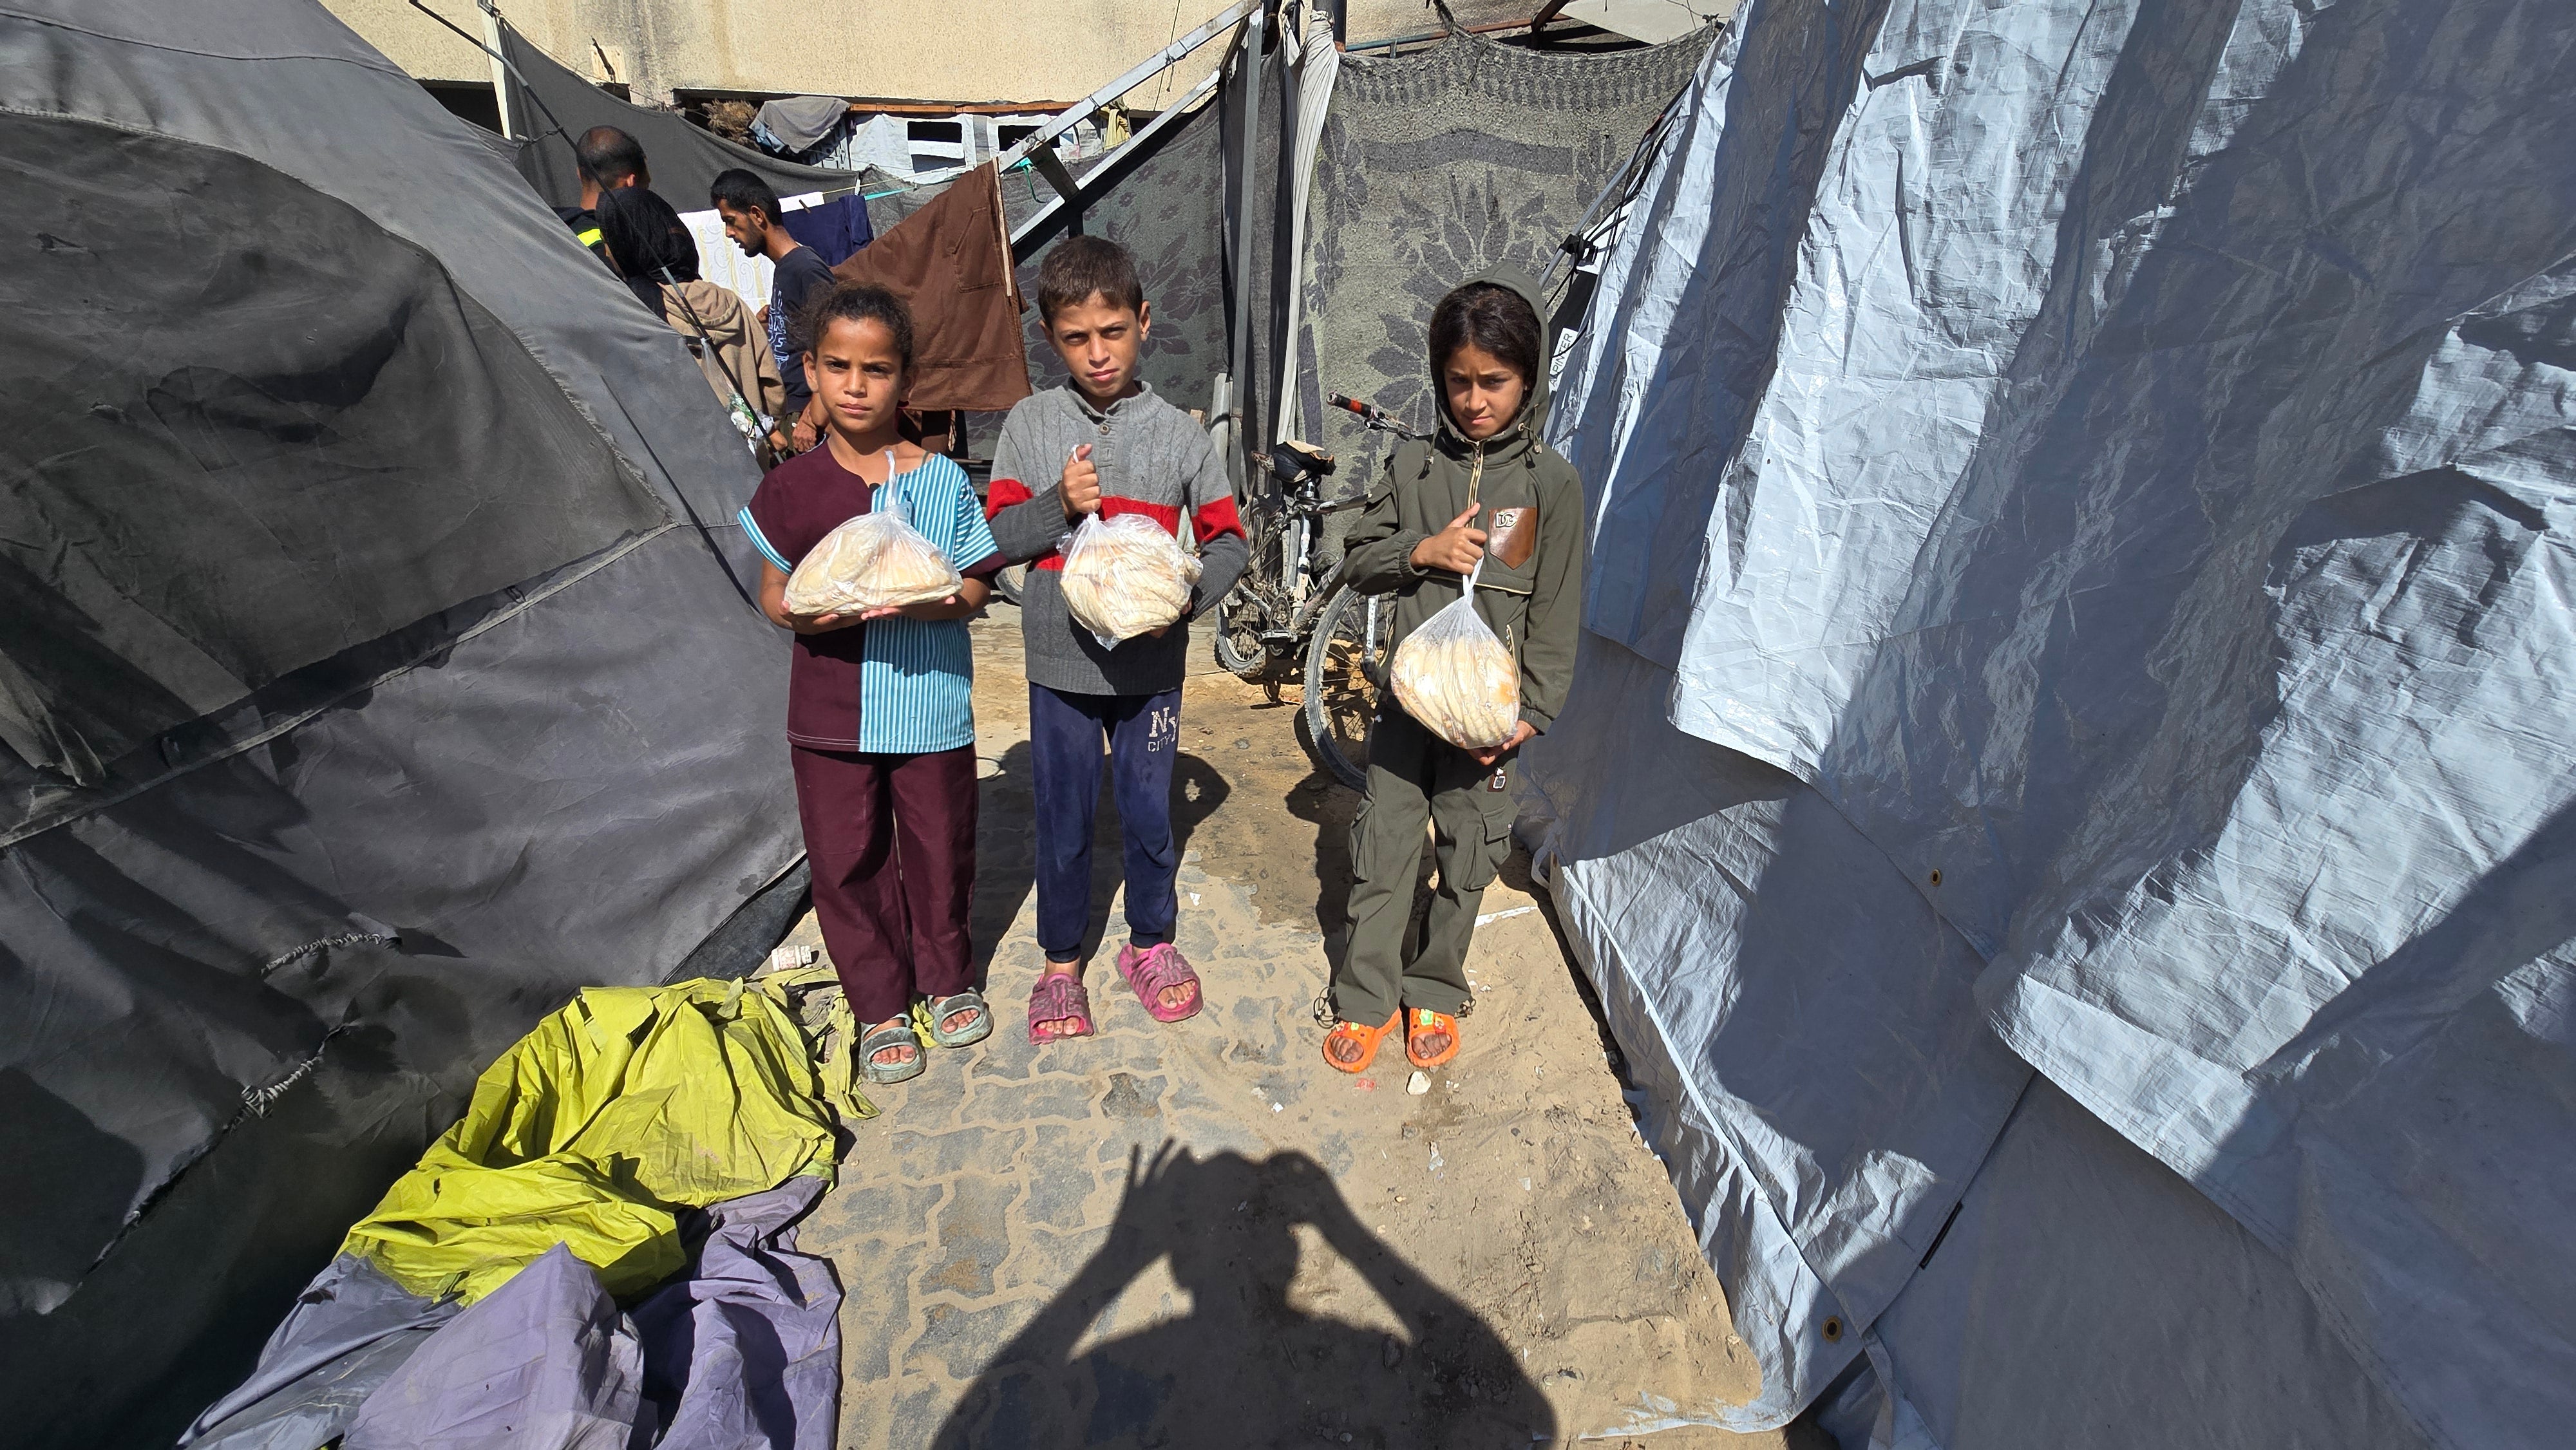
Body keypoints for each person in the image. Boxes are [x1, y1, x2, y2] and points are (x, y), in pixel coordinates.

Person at [737, 282, 1004, 1085]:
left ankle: (946, 978)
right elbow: (775, 593)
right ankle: (879, 1004)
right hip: (831, 716)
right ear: (812, 371)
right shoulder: (792, 488)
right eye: (839, 366)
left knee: (938, 849)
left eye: (877, 369)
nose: (856, 385)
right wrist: (806, 614)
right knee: (846, 858)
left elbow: (975, 587)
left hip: (928, 709)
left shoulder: (943, 482)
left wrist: (938, 600)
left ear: (906, 378)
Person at [984, 236, 1249, 1043]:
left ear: (1142, 321)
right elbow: (995, 538)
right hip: (1061, 665)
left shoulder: (1180, 436)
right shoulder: (1030, 426)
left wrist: (1182, 598)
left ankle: (1150, 942)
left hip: (1150, 669)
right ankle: (1060, 961)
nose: (1096, 354)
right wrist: (1056, 511)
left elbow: (1229, 540)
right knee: (1062, 815)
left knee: (1145, 810)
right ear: (1049, 337)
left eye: (1111, 332)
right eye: (1074, 337)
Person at [1321, 272, 1584, 1074]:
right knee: (1387, 845)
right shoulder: (1411, 468)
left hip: (1487, 721)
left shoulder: (1551, 485)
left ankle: (1434, 983)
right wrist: (1420, 552)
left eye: (1494, 382)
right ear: (1439, 377)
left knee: (1469, 849)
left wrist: (1530, 715)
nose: (1475, 400)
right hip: (1407, 710)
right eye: (1459, 381)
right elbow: (1356, 559)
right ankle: (1366, 996)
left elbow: (1557, 607)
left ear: (1529, 379)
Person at [594, 184, 784, 460]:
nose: (609, 253)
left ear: (628, 245)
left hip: (691, 481)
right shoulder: (732, 303)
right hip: (755, 471)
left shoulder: (639, 318)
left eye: (609, 241)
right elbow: (774, 394)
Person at [712, 168, 837, 458]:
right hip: (793, 413)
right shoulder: (787, 268)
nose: (729, 233)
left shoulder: (805, 268)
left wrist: (811, 417)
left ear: (757, 215)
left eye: (731, 221)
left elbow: (835, 346)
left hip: (809, 419)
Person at [558, 125, 646, 260]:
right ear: (630, 183)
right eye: (646, 188)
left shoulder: (553, 231)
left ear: (579, 174)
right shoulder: (626, 252)